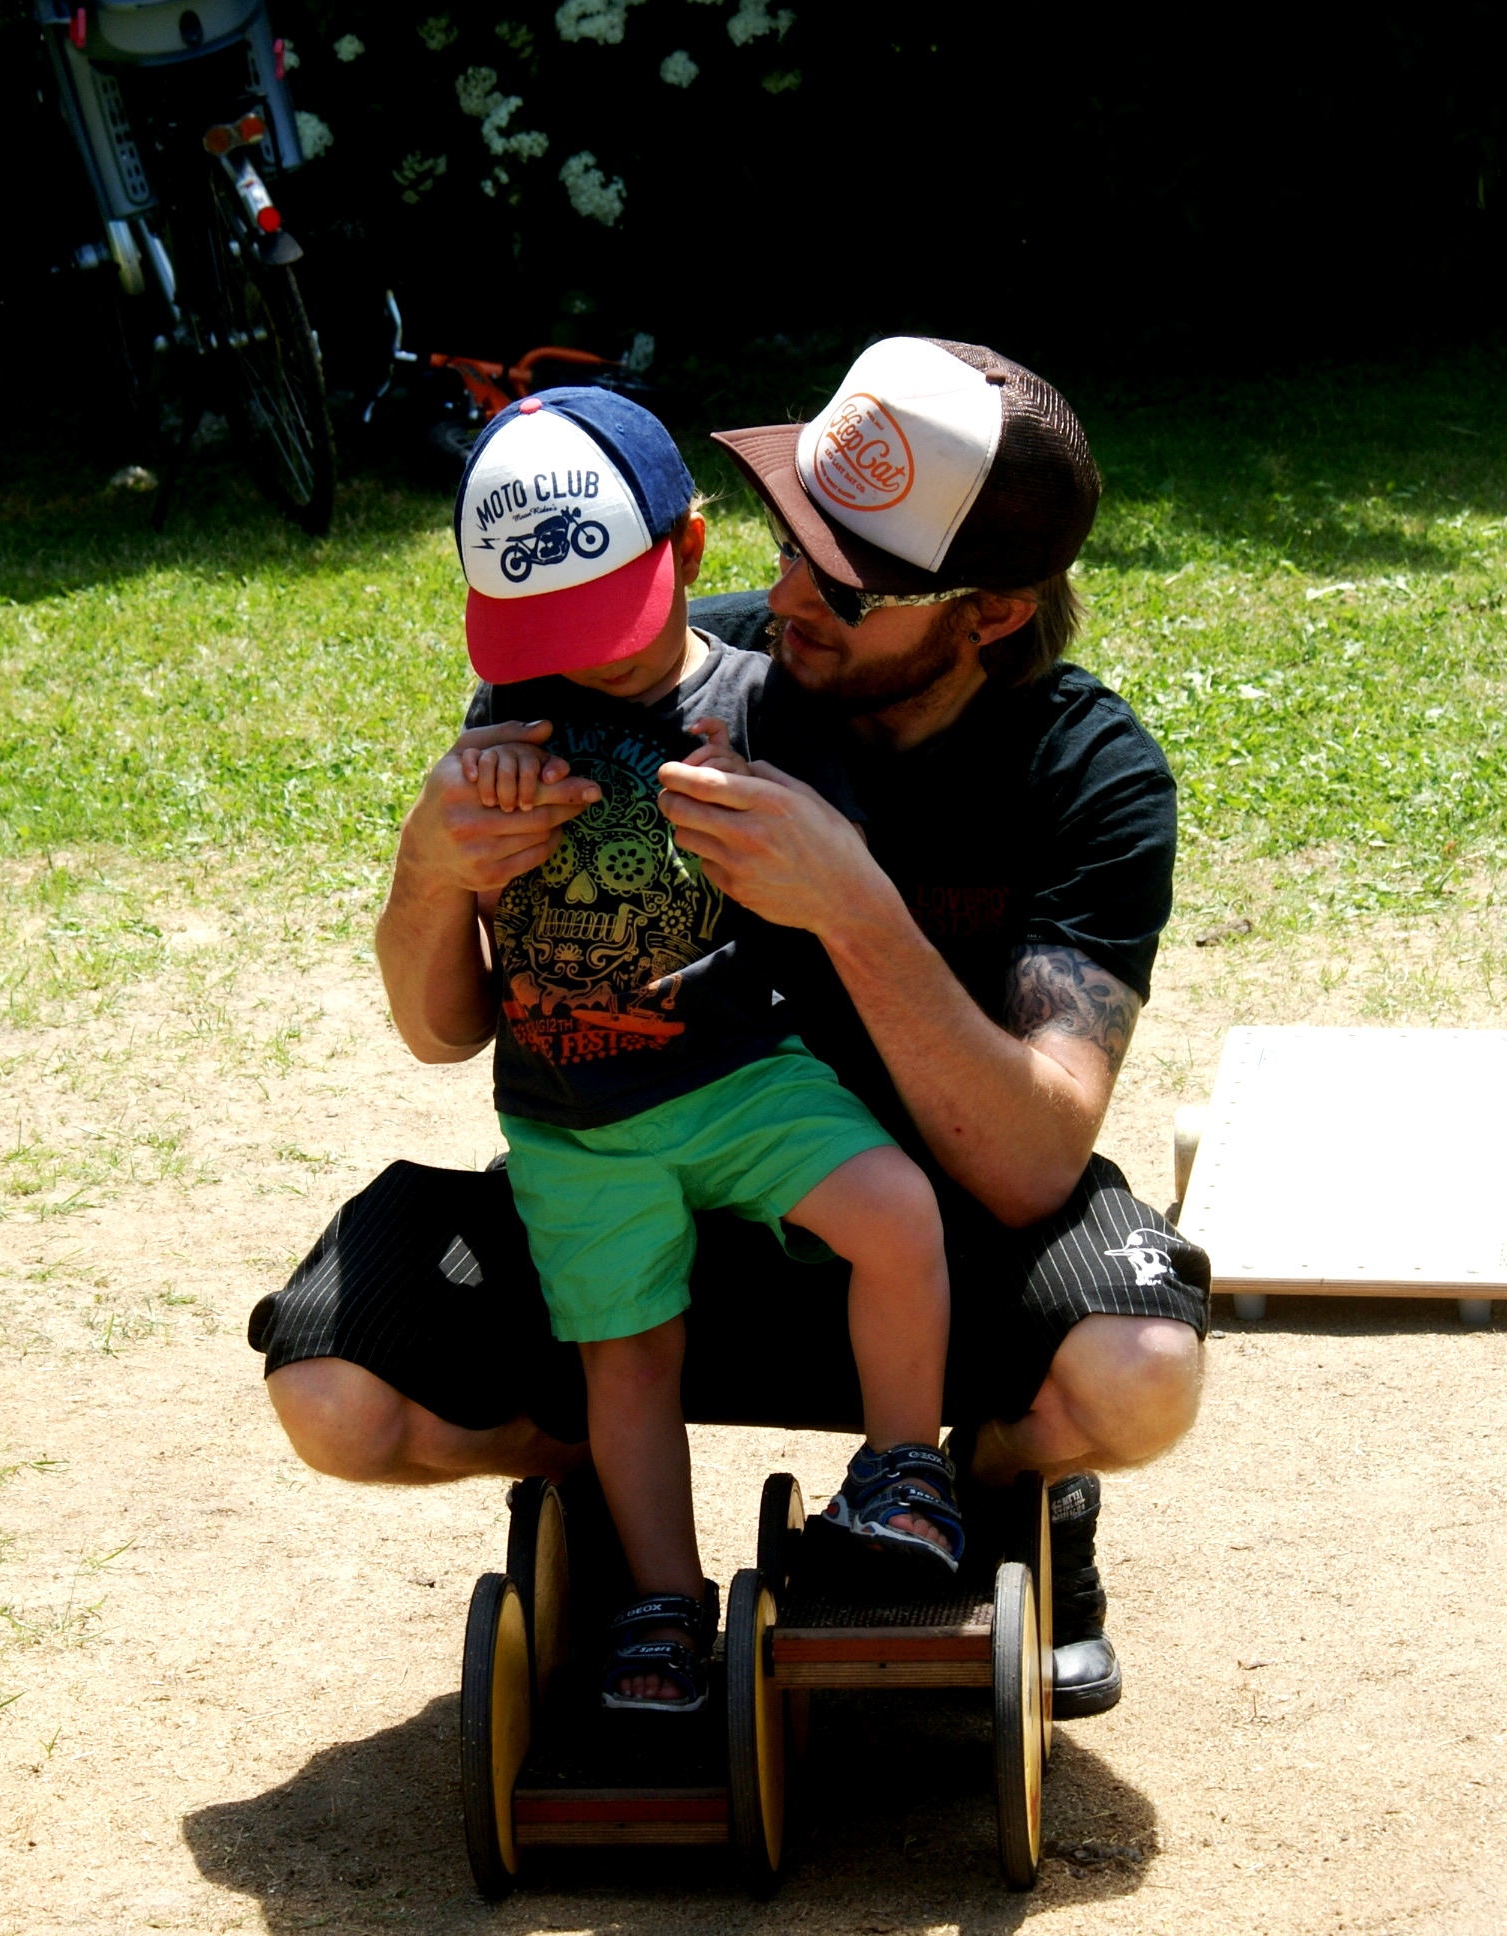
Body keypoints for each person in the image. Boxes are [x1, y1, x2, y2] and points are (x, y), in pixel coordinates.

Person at [252, 336, 1210, 1719]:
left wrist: (854, 909)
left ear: (993, 614)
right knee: (338, 1397)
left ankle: (997, 1489)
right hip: (638, 1211)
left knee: (1139, 1375)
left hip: (921, 1245)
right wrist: (429, 872)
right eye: (792, 542)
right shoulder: (633, 666)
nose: (793, 597)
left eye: (853, 584)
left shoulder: (1085, 773)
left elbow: (1028, 1166)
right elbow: (443, 1025)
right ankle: (605, 1502)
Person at [439, 385, 965, 1713]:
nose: (581, 663)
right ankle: (663, 1605)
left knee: (898, 1213)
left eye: (605, 626)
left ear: (689, 551)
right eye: (549, 634)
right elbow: (465, 848)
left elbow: (841, 864)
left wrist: (768, 799)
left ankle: (905, 1473)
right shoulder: (510, 699)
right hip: (570, 1113)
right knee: (628, 1356)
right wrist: (482, 794)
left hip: (738, 1072)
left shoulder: (760, 696)